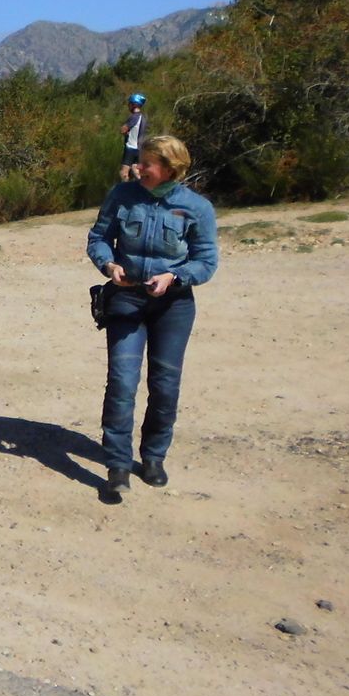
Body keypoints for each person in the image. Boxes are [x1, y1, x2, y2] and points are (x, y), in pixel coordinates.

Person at [86, 134, 218, 504]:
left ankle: (154, 456)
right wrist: (108, 265)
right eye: (140, 161)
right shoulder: (122, 195)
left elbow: (207, 261)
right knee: (122, 382)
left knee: (165, 385)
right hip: (126, 301)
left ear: (170, 168)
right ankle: (117, 465)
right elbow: (98, 238)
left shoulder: (197, 208)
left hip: (173, 307)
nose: (138, 168)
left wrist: (175, 276)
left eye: (147, 163)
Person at [118, 93, 148, 182]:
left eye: (129, 103)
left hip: (130, 148)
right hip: (140, 149)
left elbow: (123, 130)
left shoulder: (134, 117)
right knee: (136, 170)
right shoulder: (144, 118)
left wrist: (125, 131)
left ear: (134, 104)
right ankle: (144, 187)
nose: (128, 106)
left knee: (123, 173)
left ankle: (124, 190)